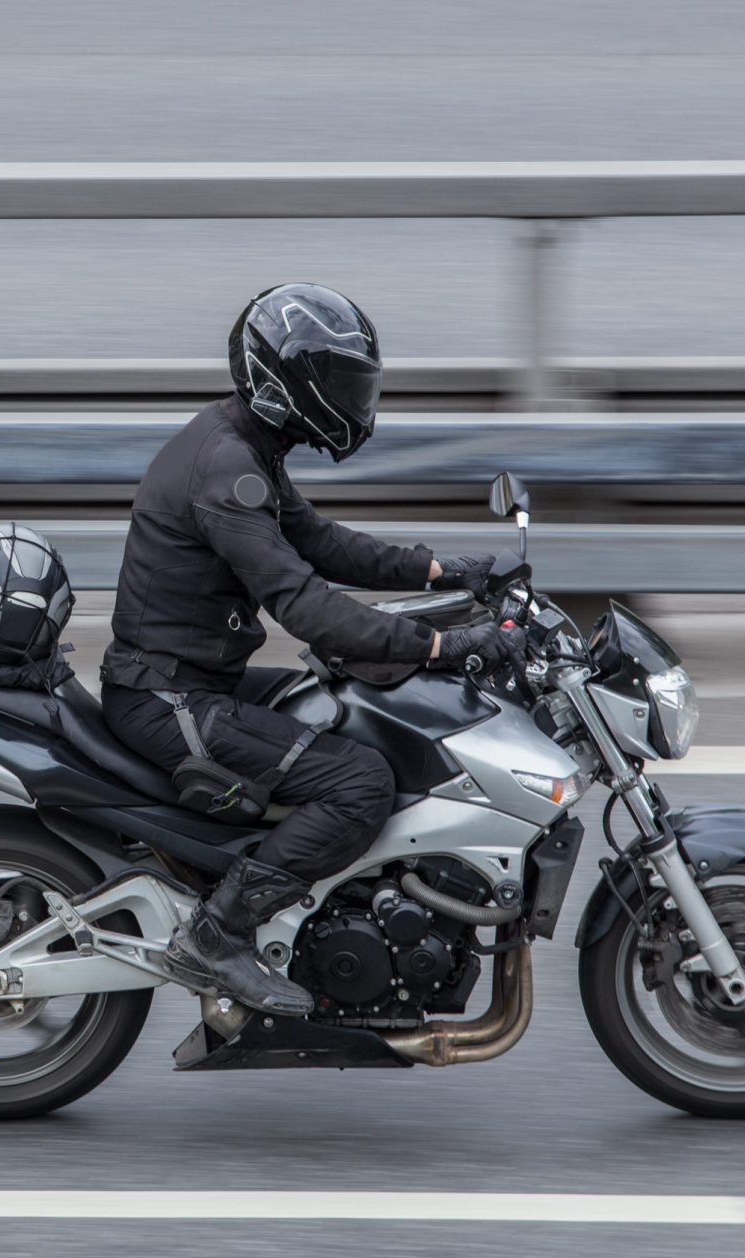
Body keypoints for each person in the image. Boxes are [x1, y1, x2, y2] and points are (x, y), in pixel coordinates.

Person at [100, 283, 525, 1017]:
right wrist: (442, 644)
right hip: (167, 699)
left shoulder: (243, 447)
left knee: (353, 713)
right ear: (289, 382)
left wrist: (444, 570)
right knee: (359, 783)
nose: (354, 402)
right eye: (338, 384)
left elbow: (321, 543)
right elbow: (307, 608)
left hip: (192, 680)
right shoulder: (227, 471)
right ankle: (216, 935)